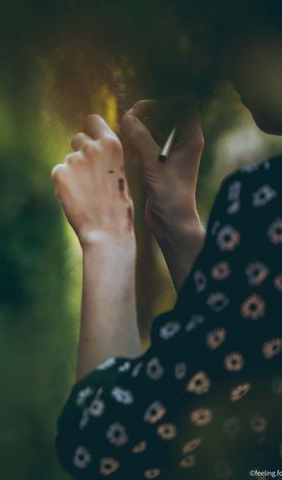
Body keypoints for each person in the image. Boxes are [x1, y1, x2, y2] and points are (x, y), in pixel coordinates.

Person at [51, 18, 282, 480]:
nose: (219, 59)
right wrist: (176, 222)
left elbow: (106, 446)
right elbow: (242, 355)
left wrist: (107, 236)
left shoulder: (267, 201)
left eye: (233, 23)